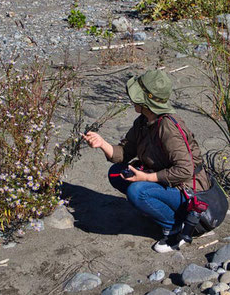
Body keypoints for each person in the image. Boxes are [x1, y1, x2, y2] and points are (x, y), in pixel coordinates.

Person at [83, 69, 221, 253]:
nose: (132, 100)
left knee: (137, 191)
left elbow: (185, 171)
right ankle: (160, 209)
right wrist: (102, 144)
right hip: (166, 179)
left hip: (188, 188)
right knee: (117, 173)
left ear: (145, 101)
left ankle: (174, 228)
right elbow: (124, 152)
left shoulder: (168, 127)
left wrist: (146, 178)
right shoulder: (142, 122)